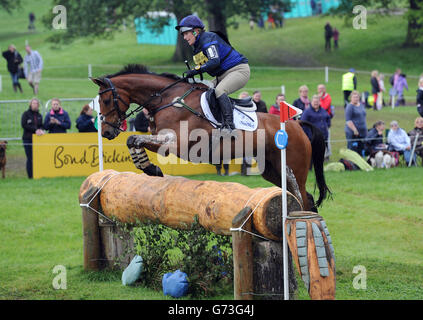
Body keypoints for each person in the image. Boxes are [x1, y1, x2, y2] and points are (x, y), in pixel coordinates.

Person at [175, 15, 250, 134]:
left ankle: (230, 126)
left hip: (239, 70)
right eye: (182, 34)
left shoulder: (208, 38)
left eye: (186, 33)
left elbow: (214, 61)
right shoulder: (197, 46)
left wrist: (195, 70)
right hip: (223, 75)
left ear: (196, 31)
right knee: (203, 91)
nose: (184, 37)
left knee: (220, 90)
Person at [21, 98, 45, 178]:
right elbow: (24, 125)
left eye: (36, 104)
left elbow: (41, 125)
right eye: (33, 103)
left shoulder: (39, 115)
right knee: (30, 158)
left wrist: (41, 130)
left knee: (37, 158)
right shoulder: (26, 114)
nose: (35, 105)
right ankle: (30, 176)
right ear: (30, 104)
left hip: (38, 140)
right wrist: (35, 130)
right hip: (28, 139)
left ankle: (38, 174)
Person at [345, 90, 367, 155]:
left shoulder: (361, 105)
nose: (356, 99)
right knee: (353, 150)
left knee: (361, 149)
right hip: (353, 133)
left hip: (362, 132)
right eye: (354, 97)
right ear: (351, 98)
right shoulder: (349, 107)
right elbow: (348, 120)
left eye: (357, 97)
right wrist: (354, 130)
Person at [317, 84, 333, 160]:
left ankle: (327, 155)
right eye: (319, 88)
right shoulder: (316, 98)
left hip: (325, 121)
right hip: (317, 121)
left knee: (327, 138)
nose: (321, 90)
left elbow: (324, 107)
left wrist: (320, 99)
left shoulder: (328, 97)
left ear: (325, 89)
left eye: (322, 88)